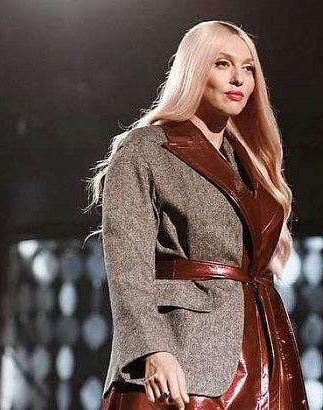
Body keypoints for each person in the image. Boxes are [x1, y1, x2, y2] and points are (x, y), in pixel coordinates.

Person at [85, 20, 308, 409]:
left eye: (248, 68)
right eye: (222, 64)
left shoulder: (253, 163)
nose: (238, 78)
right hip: (181, 356)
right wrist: (151, 349)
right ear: (193, 70)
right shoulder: (146, 149)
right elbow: (127, 265)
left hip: (261, 349)